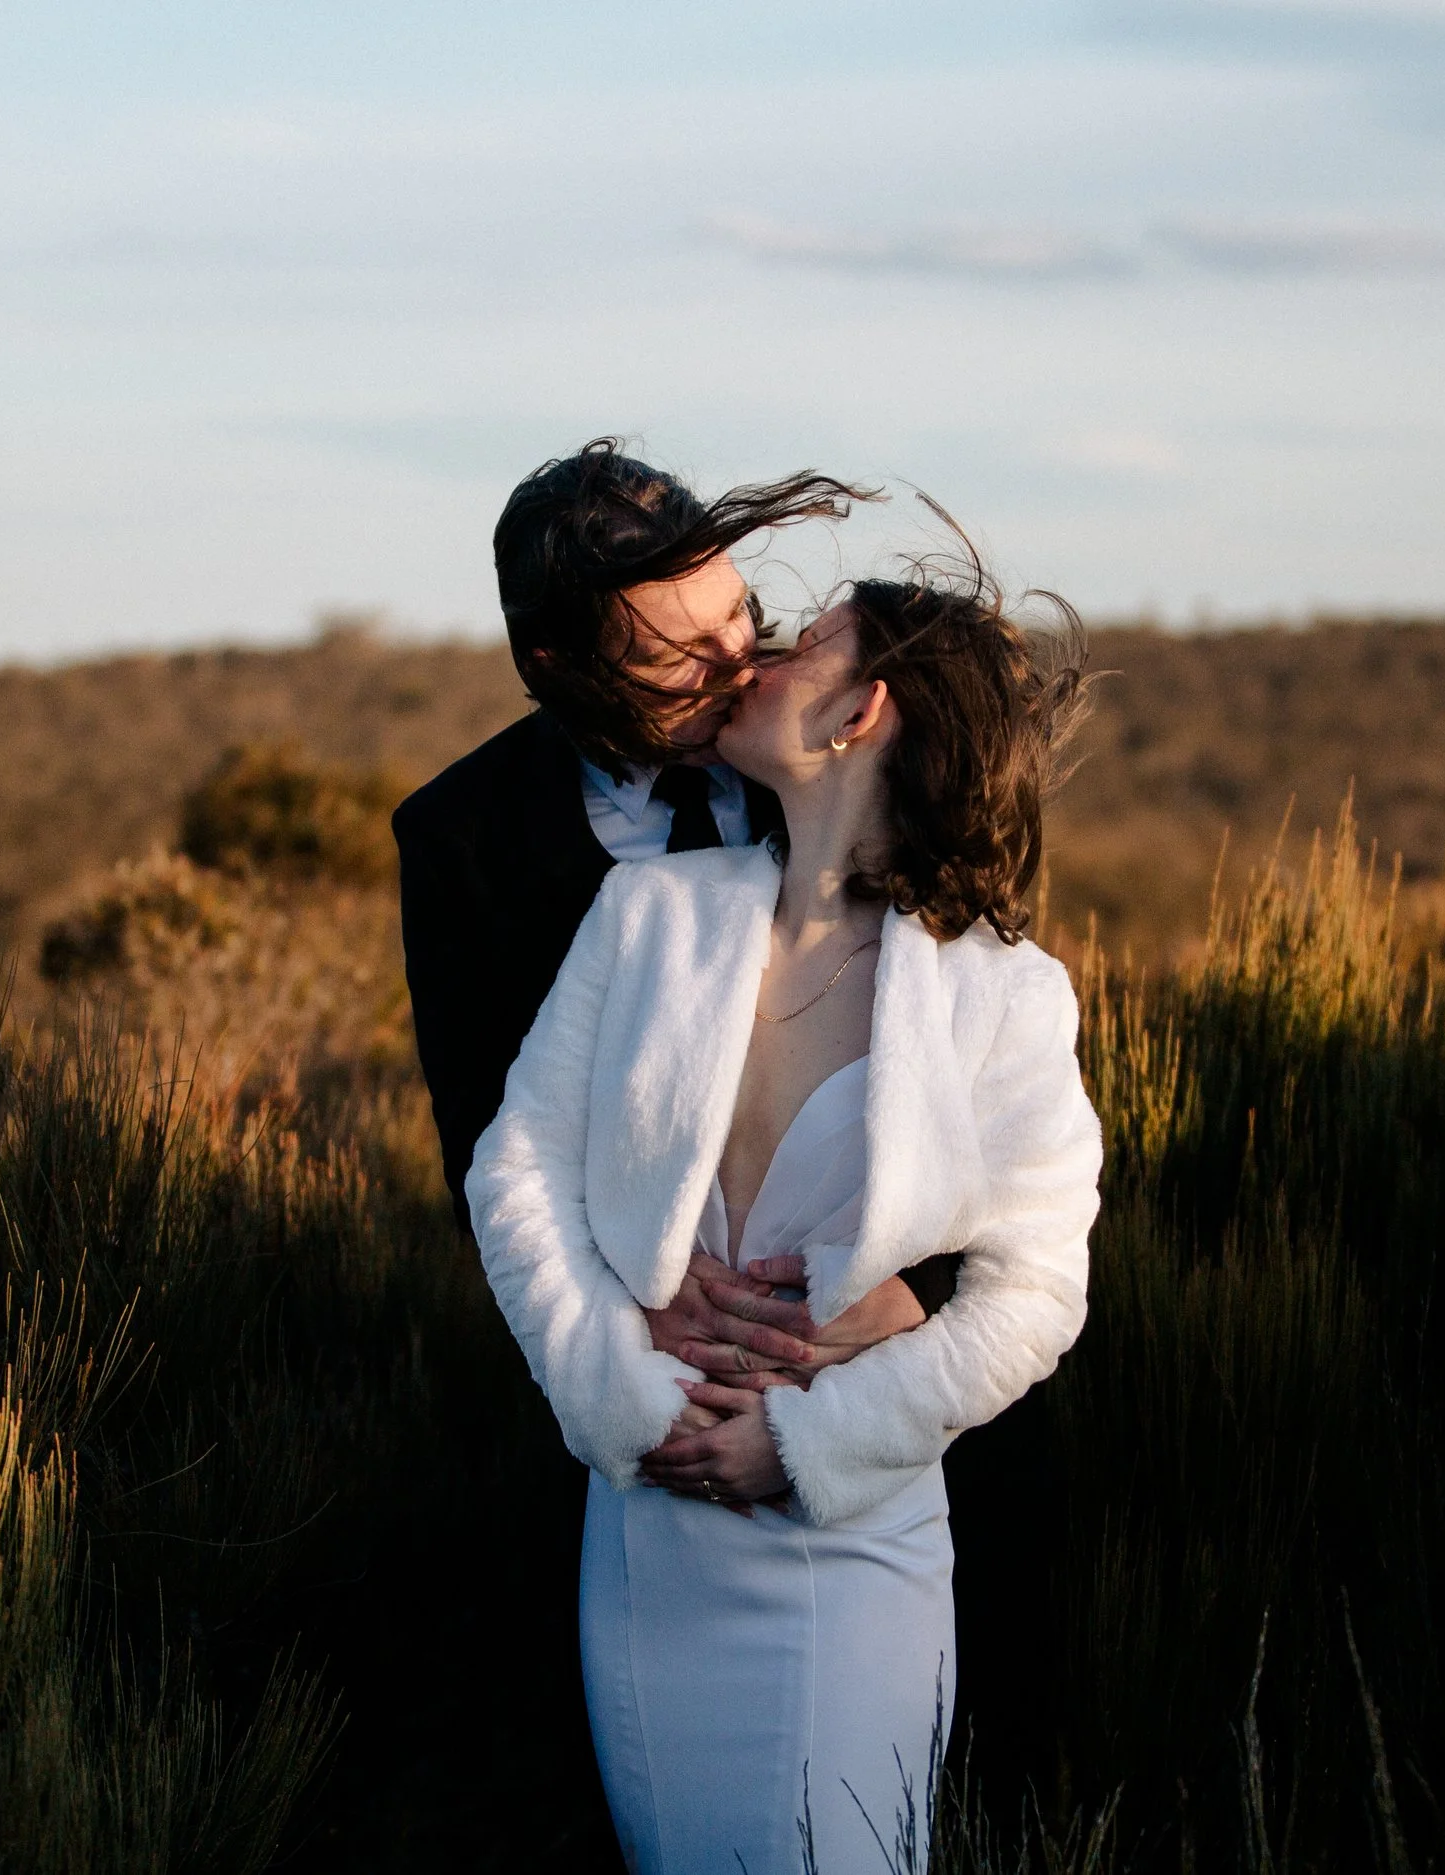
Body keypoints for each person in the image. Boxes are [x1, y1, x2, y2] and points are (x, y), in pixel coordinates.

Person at [466, 542, 1102, 1874]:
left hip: (845, 1538)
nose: (756, 656)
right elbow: (513, 1170)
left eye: (805, 637)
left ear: (861, 708)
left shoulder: (1002, 993)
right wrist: (623, 1404)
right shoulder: (650, 915)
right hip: (649, 1525)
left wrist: (809, 1441)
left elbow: (1039, 1290)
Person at [392, 440, 957, 1390]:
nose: (737, 659)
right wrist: (633, 1291)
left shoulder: (832, 741)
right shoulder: (464, 837)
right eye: (676, 653)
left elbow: (976, 1071)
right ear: (559, 665)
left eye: (735, 610)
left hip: (880, 1371)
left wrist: (918, 1295)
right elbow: (489, 1156)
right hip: (628, 1379)